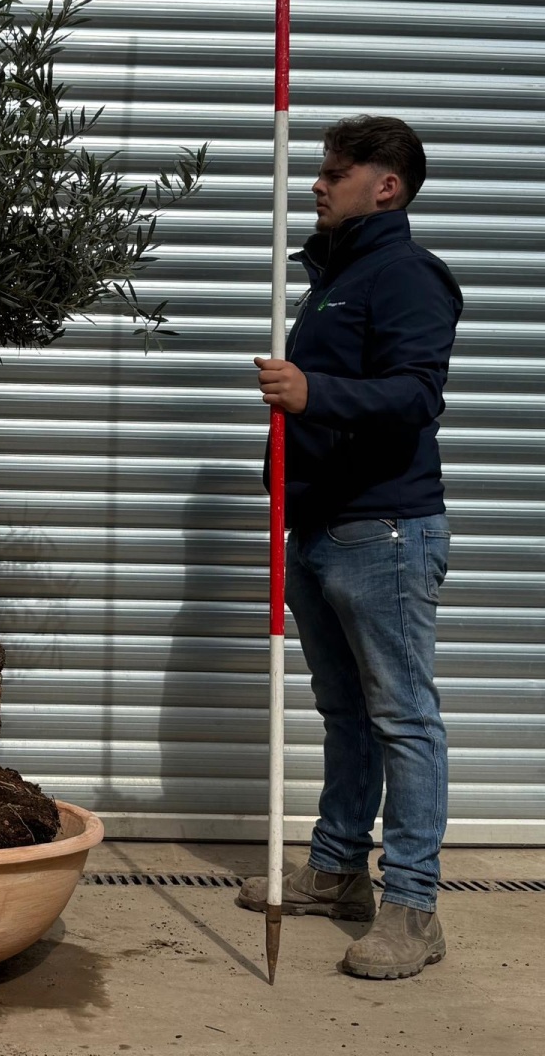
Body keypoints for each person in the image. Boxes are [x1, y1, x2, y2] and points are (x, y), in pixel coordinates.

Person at [236, 115, 464, 979]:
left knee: (403, 716)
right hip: (319, 526)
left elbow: (414, 397)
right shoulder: (337, 276)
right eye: (320, 171)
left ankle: (413, 908)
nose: (318, 184)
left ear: (387, 186)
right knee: (345, 715)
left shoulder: (407, 276)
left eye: (336, 173)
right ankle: (336, 872)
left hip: (384, 530)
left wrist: (310, 389)